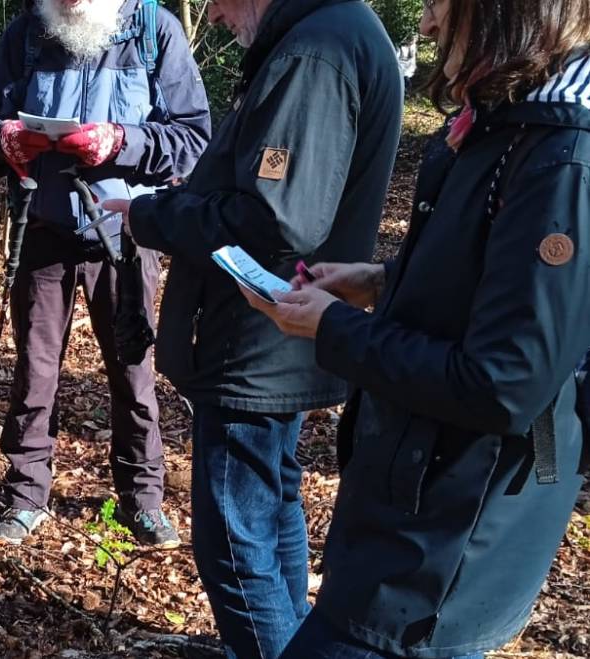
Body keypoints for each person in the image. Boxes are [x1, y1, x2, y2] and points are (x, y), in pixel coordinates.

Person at [241, 0, 590, 656]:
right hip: (414, 515)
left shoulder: (561, 156)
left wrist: (334, 328)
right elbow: (492, 279)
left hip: (444, 551)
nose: (426, 25)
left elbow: (504, 383)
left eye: (438, 6)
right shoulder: (507, 121)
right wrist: (377, 281)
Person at [106, 0, 403, 655]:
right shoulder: (329, 33)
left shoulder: (315, 51)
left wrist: (151, 214)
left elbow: (274, 217)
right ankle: (290, 641)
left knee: (236, 541)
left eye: (217, 0)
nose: (211, 16)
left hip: (255, 337)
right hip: (278, 332)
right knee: (271, 502)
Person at [0, 0, 211, 547]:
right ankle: (25, 493)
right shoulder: (27, 34)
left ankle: (144, 498)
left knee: (133, 367)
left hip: (126, 230)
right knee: (35, 368)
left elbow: (194, 139)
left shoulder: (154, 32)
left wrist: (122, 142)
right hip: (42, 227)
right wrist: (2, 140)